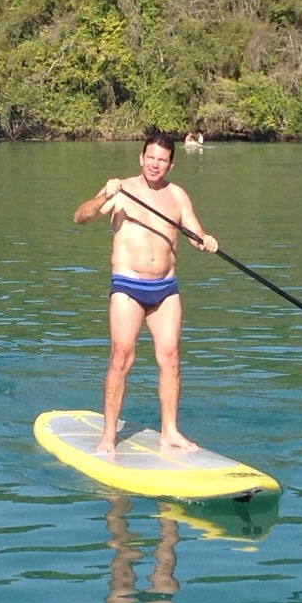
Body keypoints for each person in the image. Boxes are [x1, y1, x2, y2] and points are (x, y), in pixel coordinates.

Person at [73, 130, 218, 455]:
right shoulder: (121, 190)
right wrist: (103, 196)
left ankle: (170, 432)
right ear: (141, 158)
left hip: (166, 289)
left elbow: (194, 233)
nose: (155, 164)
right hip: (128, 286)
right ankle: (108, 434)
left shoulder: (177, 196)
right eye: (150, 157)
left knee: (171, 359)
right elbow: (80, 217)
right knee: (121, 358)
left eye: (162, 160)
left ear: (171, 164)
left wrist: (205, 241)